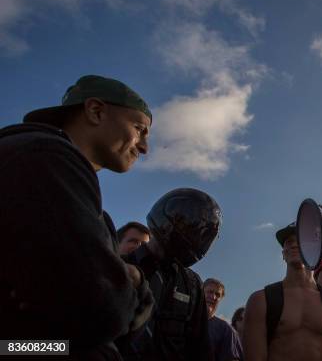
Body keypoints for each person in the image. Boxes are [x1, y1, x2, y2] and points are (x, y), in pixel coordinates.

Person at [0, 74, 154, 359]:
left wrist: (127, 284)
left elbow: (118, 328)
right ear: (96, 111)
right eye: (139, 129)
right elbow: (99, 308)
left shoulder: (93, 208)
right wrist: (129, 281)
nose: (144, 147)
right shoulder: (43, 157)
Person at [119, 188, 222, 360]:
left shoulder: (192, 284)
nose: (196, 235)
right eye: (190, 225)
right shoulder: (119, 267)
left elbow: (201, 349)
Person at [243, 223, 322, 361]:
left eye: (301, 240)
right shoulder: (260, 300)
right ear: (283, 254)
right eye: (289, 242)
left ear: (315, 250)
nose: (294, 245)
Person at [203, 278, 244, 361]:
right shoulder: (183, 321)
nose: (213, 297)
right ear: (200, 293)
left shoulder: (226, 330)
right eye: (210, 292)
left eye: (217, 295)